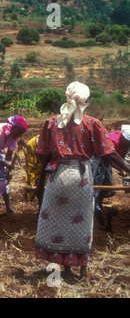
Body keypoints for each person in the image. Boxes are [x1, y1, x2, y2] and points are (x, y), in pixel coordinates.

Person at [34, 81, 130, 283]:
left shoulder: (51, 123)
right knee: (82, 223)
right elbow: (109, 153)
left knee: (58, 223)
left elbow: (43, 157)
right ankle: (83, 269)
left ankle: (65, 268)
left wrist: (39, 186)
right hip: (80, 178)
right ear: (86, 100)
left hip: (56, 177)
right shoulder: (92, 123)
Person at [91, 124, 130, 224]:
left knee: (106, 183)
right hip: (97, 159)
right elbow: (110, 156)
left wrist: (123, 172)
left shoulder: (125, 143)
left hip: (106, 160)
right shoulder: (112, 139)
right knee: (98, 183)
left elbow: (120, 158)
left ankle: (98, 204)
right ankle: (93, 209)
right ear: (124, 138)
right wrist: (124, 169)